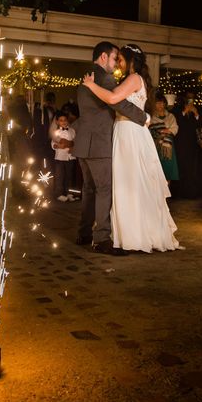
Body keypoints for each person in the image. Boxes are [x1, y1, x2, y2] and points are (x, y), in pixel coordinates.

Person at [82, 43, 179, 253]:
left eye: (121, 59)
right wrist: (144, 117)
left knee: (130, 183)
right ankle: (125, 232)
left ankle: (135, 234)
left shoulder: (133, 79)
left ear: (131, 61)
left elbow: (114, 99)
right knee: (126, 183)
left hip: (129, 133)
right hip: (125, 132)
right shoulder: (130, 79)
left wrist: (91, 85)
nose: (119, 63)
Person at [73, 41, 149, 255]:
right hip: (99, 144)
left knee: (88, 190)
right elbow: (119, 103)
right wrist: (144, 117)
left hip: (83, 144)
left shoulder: (85, 78)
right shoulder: (104, 79)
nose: (116, 63)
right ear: (104, 57)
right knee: (104, 190)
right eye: (115, 58)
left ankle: (84, 232)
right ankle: (101, 239)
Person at [170, 91, 199, 198]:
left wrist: (196, 114)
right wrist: (184, 111)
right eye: (188, 98)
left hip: (191, 145)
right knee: (180, 168)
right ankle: (178, 193)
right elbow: (176, 124)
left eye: (192, 98)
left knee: (190, 169)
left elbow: (198, 126)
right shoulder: (177, 109)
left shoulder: (195, 110)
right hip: (180, 144)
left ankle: (189, 193)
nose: (190, 100)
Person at [149, 94, 179, 183]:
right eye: (157, 103)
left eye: (162, 103)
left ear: (165, 104)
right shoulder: (151, 117)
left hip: (168, 148)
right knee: (156, 170)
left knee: (167, 170)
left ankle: (165, 195)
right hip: (155, 146)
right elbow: (149, 129)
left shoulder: (171, 116)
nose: (160, 105)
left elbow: (175, 128)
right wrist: (161, 132)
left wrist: (165, 131)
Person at [51, 112, 77, 202]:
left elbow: (75, 141)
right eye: (61, 120)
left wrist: (72, 147)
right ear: (57, 122)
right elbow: (53, 144)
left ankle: (68, 193)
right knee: (60, 176)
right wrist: (58, 146)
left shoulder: (72, 131)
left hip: (70, 157)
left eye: (65, 120)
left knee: (69, 176)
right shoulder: (56, 132)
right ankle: (59, 194)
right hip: (60, 157)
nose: (63, 122)